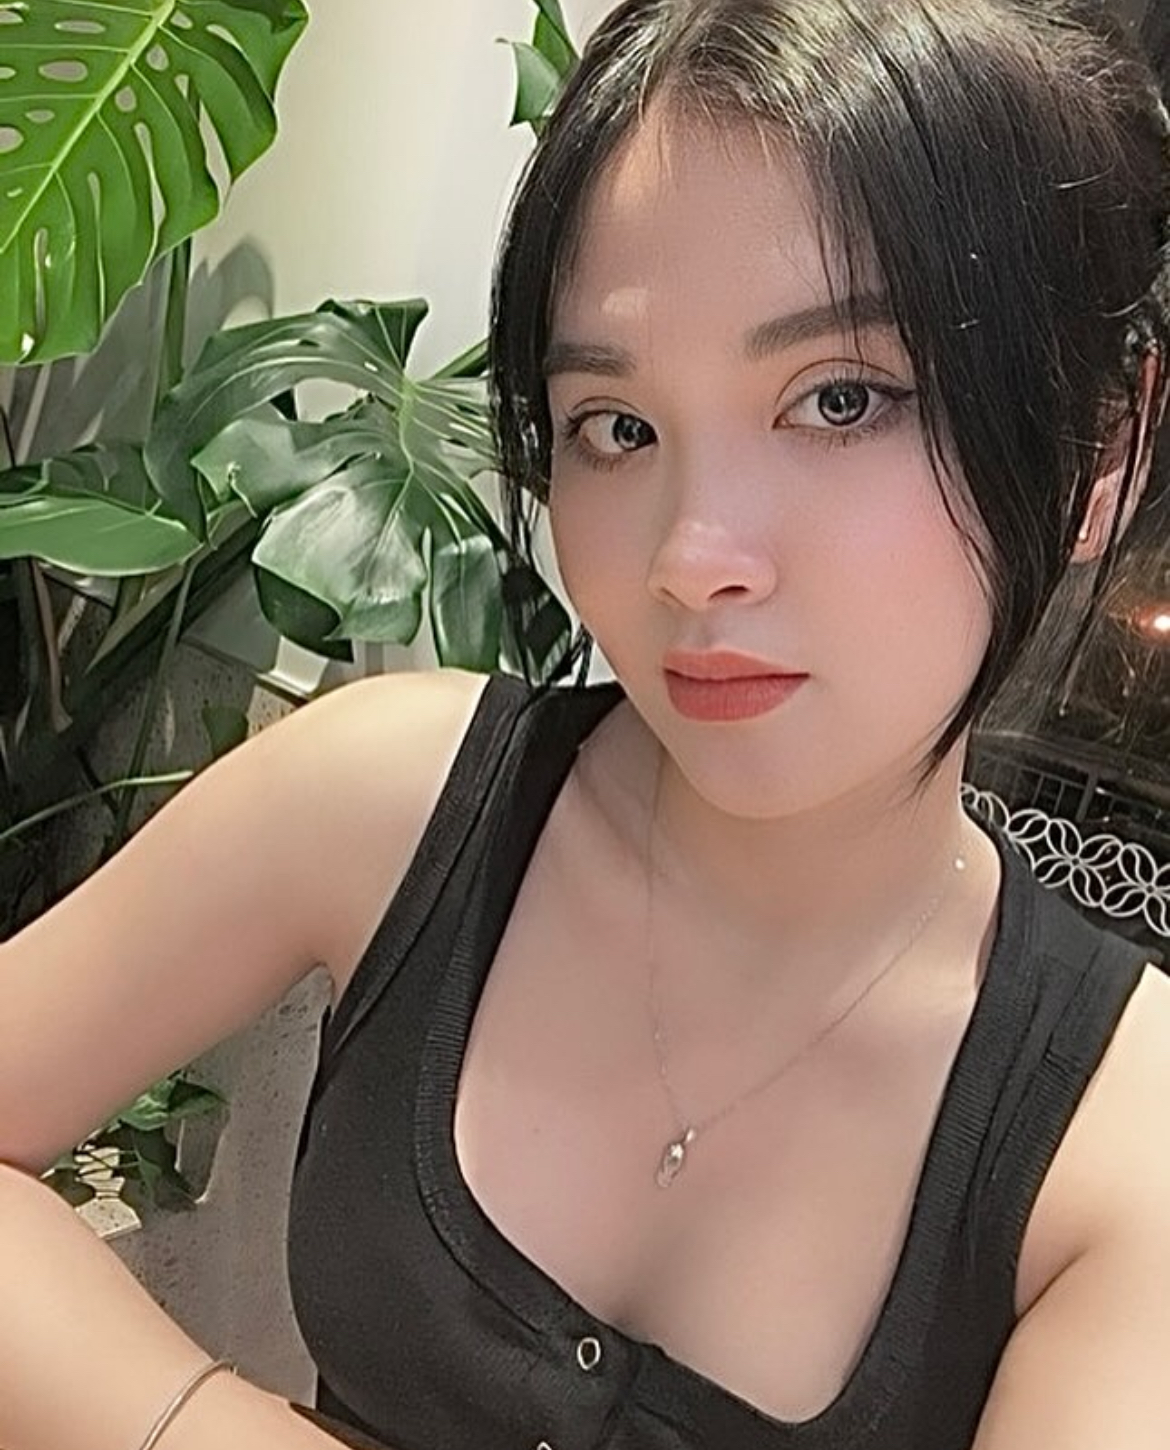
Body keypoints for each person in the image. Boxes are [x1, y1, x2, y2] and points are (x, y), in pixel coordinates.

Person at [1, 0, 1168, 1446]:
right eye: (616, 425)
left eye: (839, 399)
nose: (691, 556)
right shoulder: (387, 794)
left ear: (1101, 442)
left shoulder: (1118, 1143)